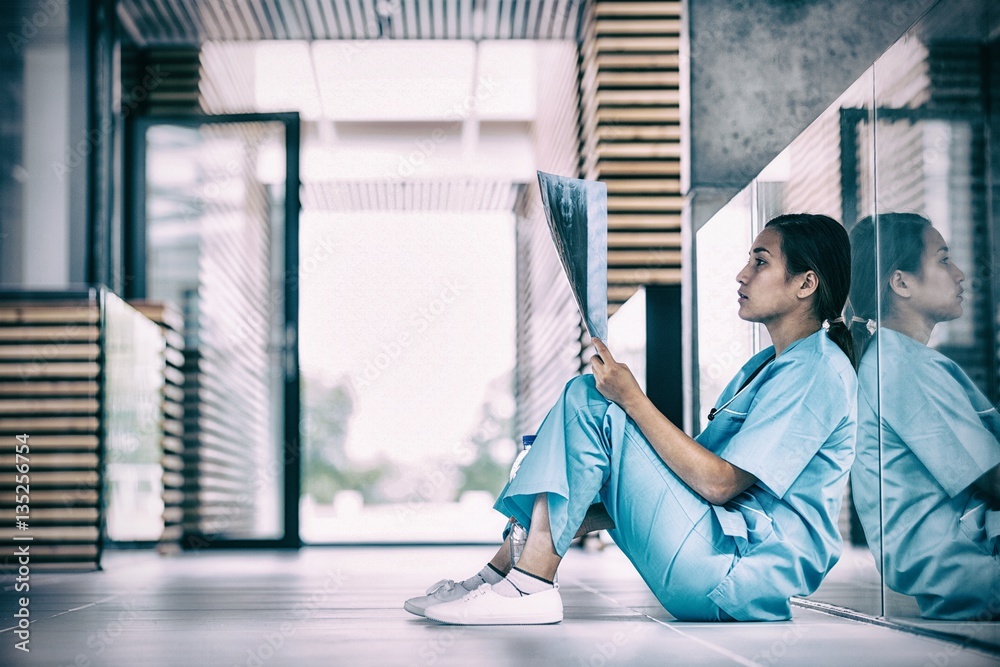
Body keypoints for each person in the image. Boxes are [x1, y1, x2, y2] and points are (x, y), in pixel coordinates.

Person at [405, 213, 858, 624]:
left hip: (734, 574)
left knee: (589, 400)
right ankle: (500, 576)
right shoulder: (768, 365)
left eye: (761, 262)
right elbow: (684, 478)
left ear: (805, 284)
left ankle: (529, 585)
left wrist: (632, 399)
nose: (742, 274)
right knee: (585, 413)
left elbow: (718, 485)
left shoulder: (817, 369)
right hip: (715, 556)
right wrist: (568, 511)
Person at [848, 213, 1000, 620]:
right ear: (901, 282)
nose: (961, 274)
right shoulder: (901, 365)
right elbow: (994, 480)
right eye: (944, 259)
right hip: (974, 569)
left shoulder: (893, 359)